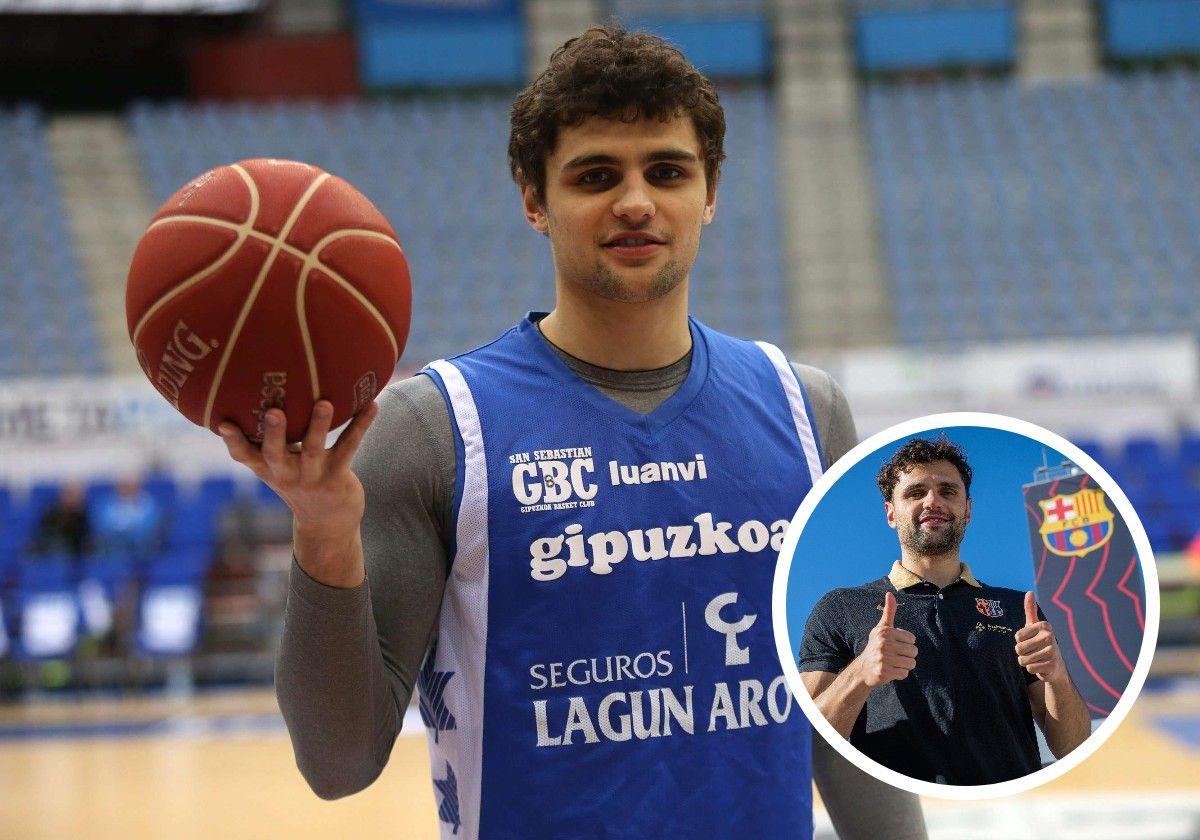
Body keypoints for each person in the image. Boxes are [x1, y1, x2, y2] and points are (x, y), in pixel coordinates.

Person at [220, 26, 926, 838]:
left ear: (710, 192)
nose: (635, 201)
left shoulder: (808, 413)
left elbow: (852, 724)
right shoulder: (435, 431)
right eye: (596, 176)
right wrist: (323, 534)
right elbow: (337, 764)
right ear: (533, 200)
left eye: (667, 171)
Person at [799, 436, 1092, 785]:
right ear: (891, 513)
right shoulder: (841, 608)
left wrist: (1057, 675)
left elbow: (1073, 746)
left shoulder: (1018, 610)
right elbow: (807, 744)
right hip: (907, 813)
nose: (932, 502)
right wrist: (861, 673)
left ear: (967, 511)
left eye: (947, 492)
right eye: (915, 492)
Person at [31, 481, 91, 562]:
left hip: (75, 548)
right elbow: (46, 531)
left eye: (74, 495)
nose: (71, 498)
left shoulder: (84, 514)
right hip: (55, 547)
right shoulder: (52, 512)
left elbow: (83, 534)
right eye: (68, 494)